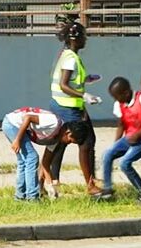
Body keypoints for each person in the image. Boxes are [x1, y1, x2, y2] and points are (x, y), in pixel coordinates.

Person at [49, 22, 102, 196]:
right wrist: (84, 96)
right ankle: (90, 185)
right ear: (76, 38)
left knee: (59, 144)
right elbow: (64, 85)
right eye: (84, 36)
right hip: (68, 107)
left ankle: (52, 182)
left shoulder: (66, 55)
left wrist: (85, 80)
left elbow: (69, 80)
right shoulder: (71, 58)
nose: (86, 39)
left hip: (68, 106)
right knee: (86, 142)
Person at [2, 107, 89, 201]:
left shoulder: (55, 139)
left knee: (24, 161)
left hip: (16, 126)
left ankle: (20, 196)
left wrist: (49, 184)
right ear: (68, 132)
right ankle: (32, 197)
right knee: (32, 158)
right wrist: (18, 140)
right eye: (70, 141)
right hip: (13, 124)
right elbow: (28, 117)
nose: (68, 143)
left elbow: (45, 163)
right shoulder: (54, 122)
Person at [101, 77, 141, 202]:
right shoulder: (119, 104)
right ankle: (108, 189)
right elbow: (121, 124)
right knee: (107, 154)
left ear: (126, 93)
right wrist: (116, 144)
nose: (116, 100)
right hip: (129, 138)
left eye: (117, 96)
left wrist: (139, 134)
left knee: (125, 163)